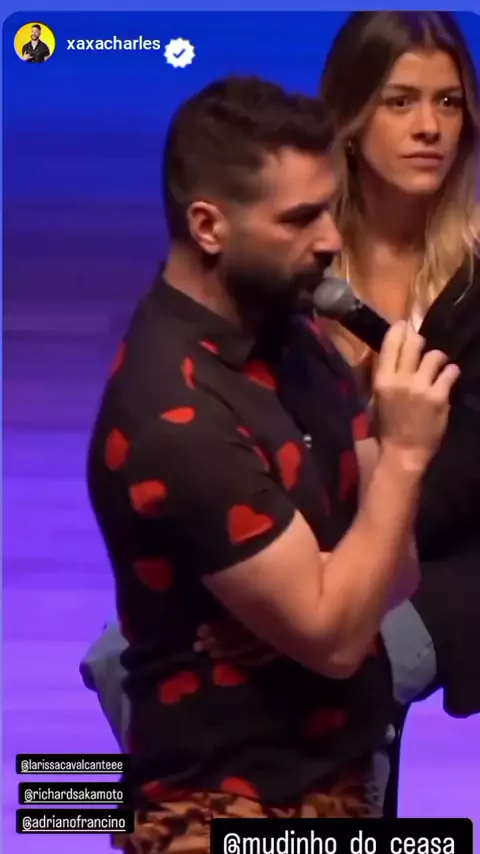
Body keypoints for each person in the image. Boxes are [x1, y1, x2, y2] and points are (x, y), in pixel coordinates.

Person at [84, 75, 458, 848]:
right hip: (221, 809)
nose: (330, 240)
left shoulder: (300, 340)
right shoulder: (173, 416)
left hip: (338, 786)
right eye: (298, 218)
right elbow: (337, 637)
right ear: (208, 226)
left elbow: (394, 574)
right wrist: (404, 456)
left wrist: (335, 583)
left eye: (329, 208)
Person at [317, 10, 480, 719]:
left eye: (448, 102)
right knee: (125, 656)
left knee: (339, 663)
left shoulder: (475, 281)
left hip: (453, 562)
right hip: (309, 546)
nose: (430, 127)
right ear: (351, 121)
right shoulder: (297, 264)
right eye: (401, 101)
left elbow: (463, 482)